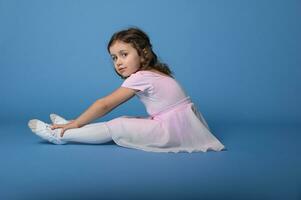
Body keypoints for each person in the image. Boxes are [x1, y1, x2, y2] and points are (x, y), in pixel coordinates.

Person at [28, 27, 226, 153]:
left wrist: (78, 122)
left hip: (174, 131)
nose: (119, 62)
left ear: (143, 53)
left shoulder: (141, 77)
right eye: (114, 58)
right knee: (127, 120)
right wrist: (77, 122)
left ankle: (62, 134)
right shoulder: (154, 73)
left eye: (124, 54)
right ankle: (69, 126)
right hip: (183, 125)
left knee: (119, 125)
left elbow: (105, 104)